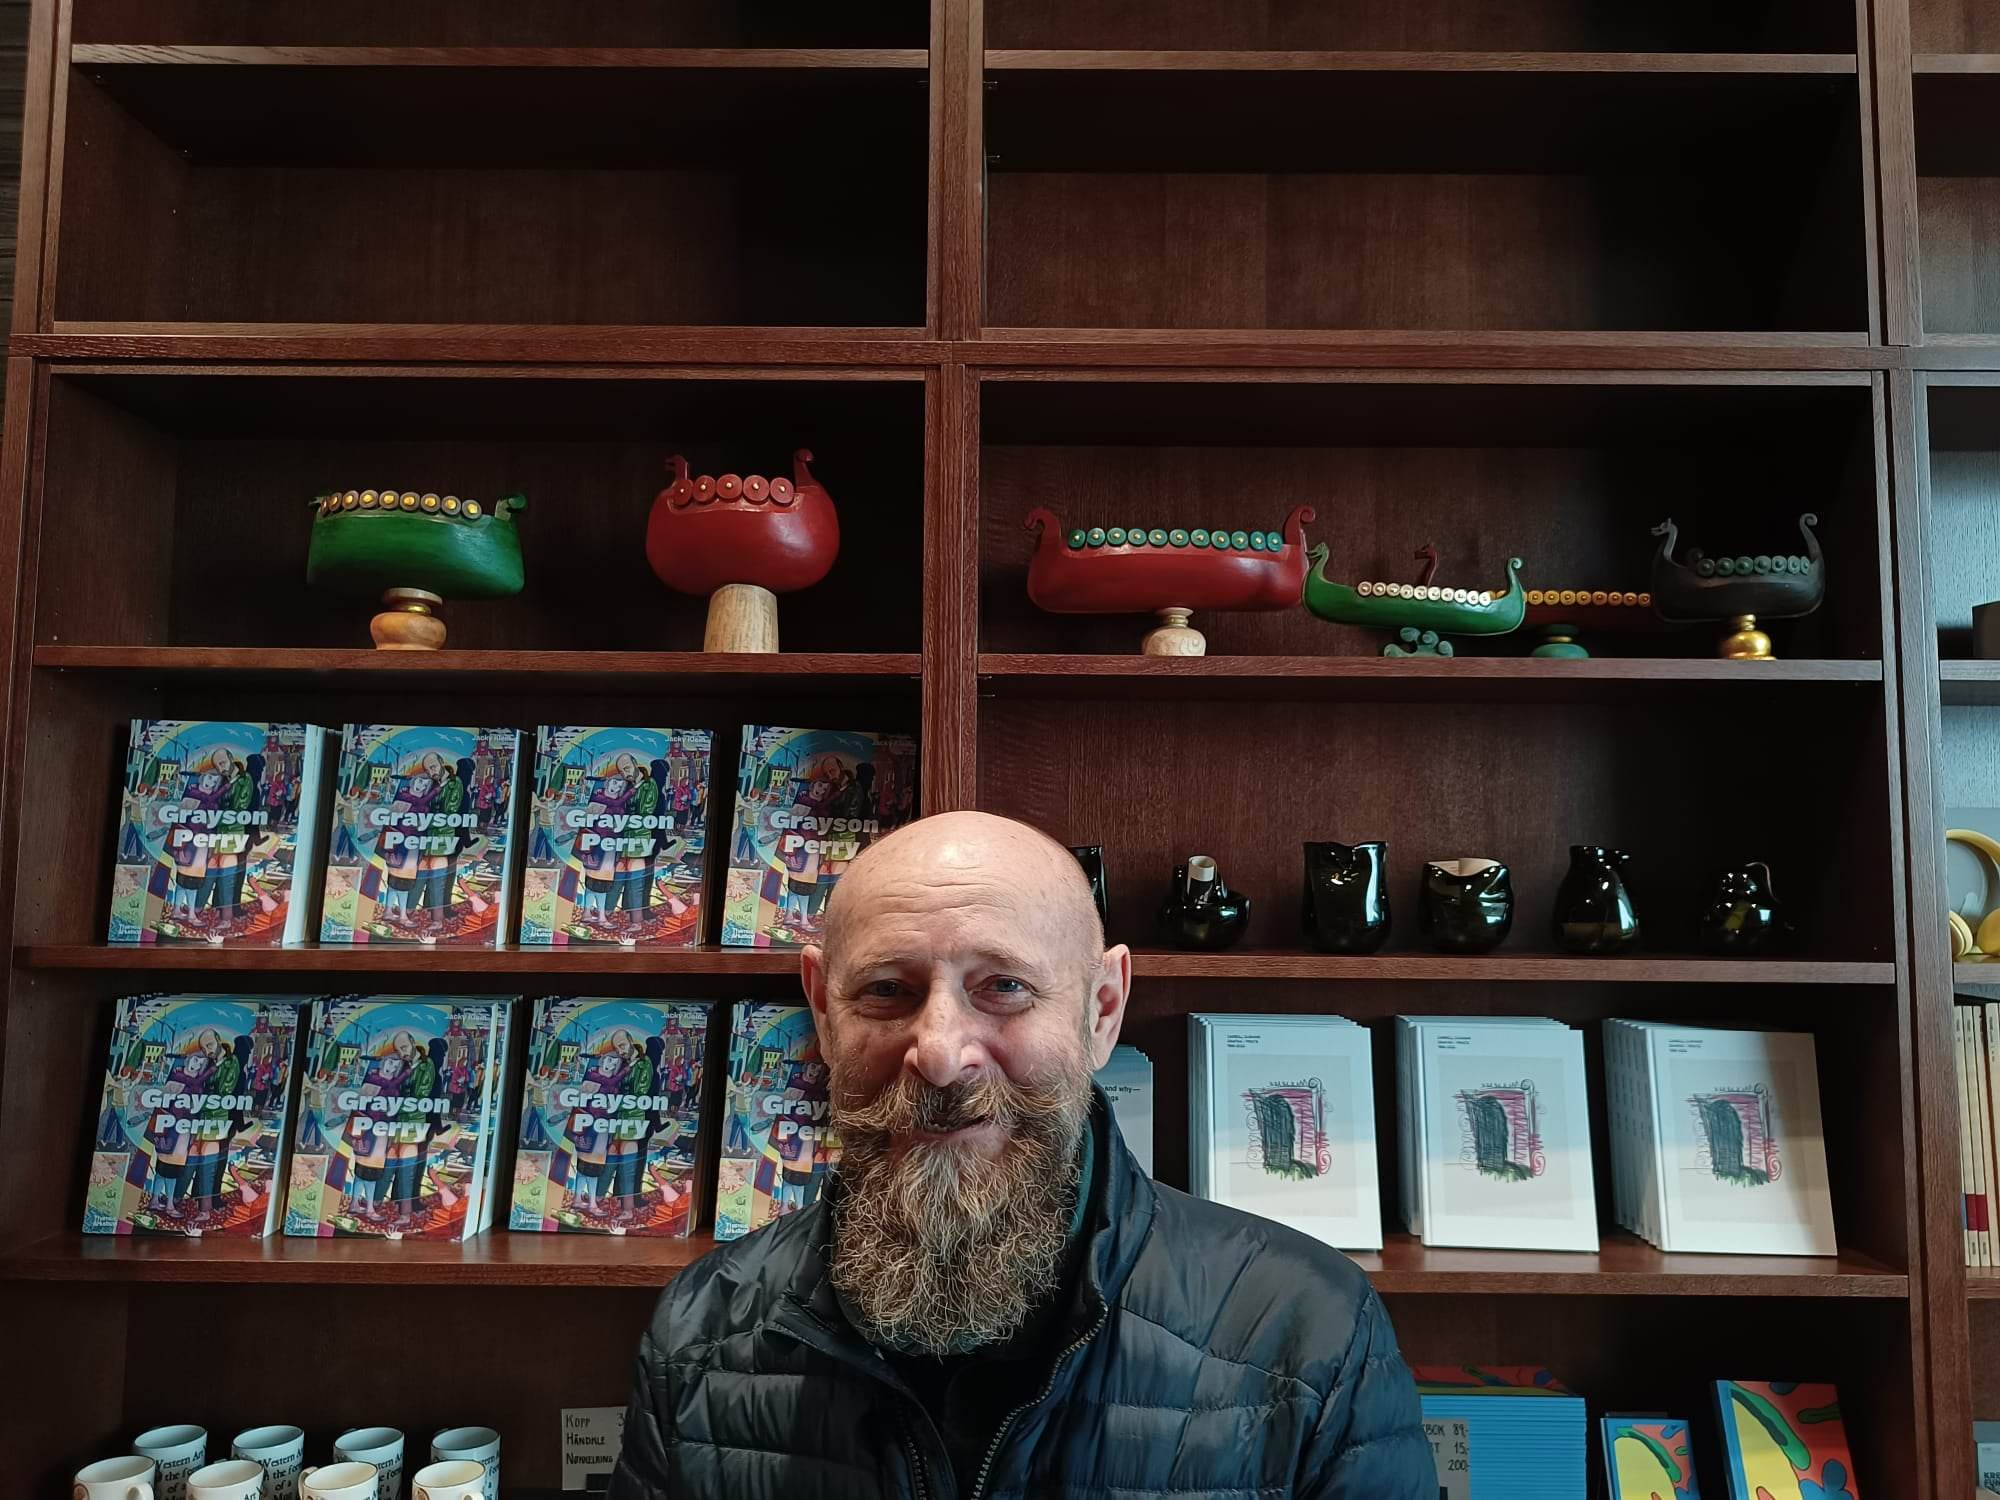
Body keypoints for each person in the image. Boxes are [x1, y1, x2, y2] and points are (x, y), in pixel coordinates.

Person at [609, 811, 1432, 1499]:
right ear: (823, 1011)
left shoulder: (1306, 1330)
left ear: (1101, 1010)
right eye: (886, 991)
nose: (939, 1054)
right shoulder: (701, 1332)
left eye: (1004, 987)